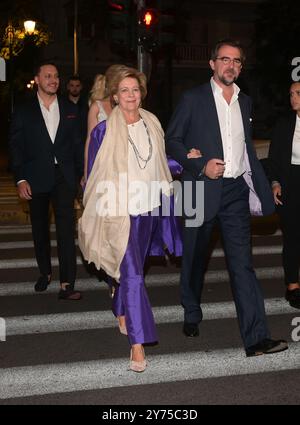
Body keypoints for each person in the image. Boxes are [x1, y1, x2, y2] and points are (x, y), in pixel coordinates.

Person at [165, 39, 288, 357]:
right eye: (224, 59)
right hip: (197, 188)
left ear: (240, 67)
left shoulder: (244, 102)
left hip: (234, 192)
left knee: (243, 265)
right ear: (212, 64)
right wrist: (199, 164)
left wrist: (262, 184)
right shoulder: (193, 98)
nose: (230, 65)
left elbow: (245, 148)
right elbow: (173, 140)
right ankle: (191, 311)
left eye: (236, 61)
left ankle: (256, 338)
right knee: (193, 258)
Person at [78, 66, 182, 372]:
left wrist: (185, 161)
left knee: (133, 271)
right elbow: (95, 175)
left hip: (149, 210)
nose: (130, 96)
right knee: (135, 276)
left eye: (135, 90)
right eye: (124, 91)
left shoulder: (152, 123)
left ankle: (118, 306)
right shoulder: (103, 131)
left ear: (142, 93)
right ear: (114, 95)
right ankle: (138, 345)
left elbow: (159, 163)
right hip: (119, 213)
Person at [10, 61, 83, 300]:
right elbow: (16, 147)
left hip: (64, 177)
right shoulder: (24, 110)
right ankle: (45, 273)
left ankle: (67, 283)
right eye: (48, 76)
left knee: (65, 229)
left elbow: (77, 145)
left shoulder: (69, 108)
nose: (54, 80)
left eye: (56, 76)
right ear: (38, 80)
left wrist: (81, 174)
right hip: (36, 177)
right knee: (40, 229)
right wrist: (20, 178)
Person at [268, 81, 300, 309]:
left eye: (298, 93)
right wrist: (275, 182)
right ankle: (292, 285)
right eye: (291, 94)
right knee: (292, 238)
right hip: (291, 184)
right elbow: (274, 159)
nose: (293, 98)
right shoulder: (284, 124)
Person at [83, 73, 112, 181]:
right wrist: (86, 171)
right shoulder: (97, 106)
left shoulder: (122, 106)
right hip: (101, 160)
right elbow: (90, 139)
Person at [66, 75, 89, 145]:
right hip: (66, 145)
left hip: (83, 144)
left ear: (81, 87)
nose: (75, 88)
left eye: (77, 86)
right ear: (68, 87)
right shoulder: (61, 104)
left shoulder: (87, 104)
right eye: (72, 85)